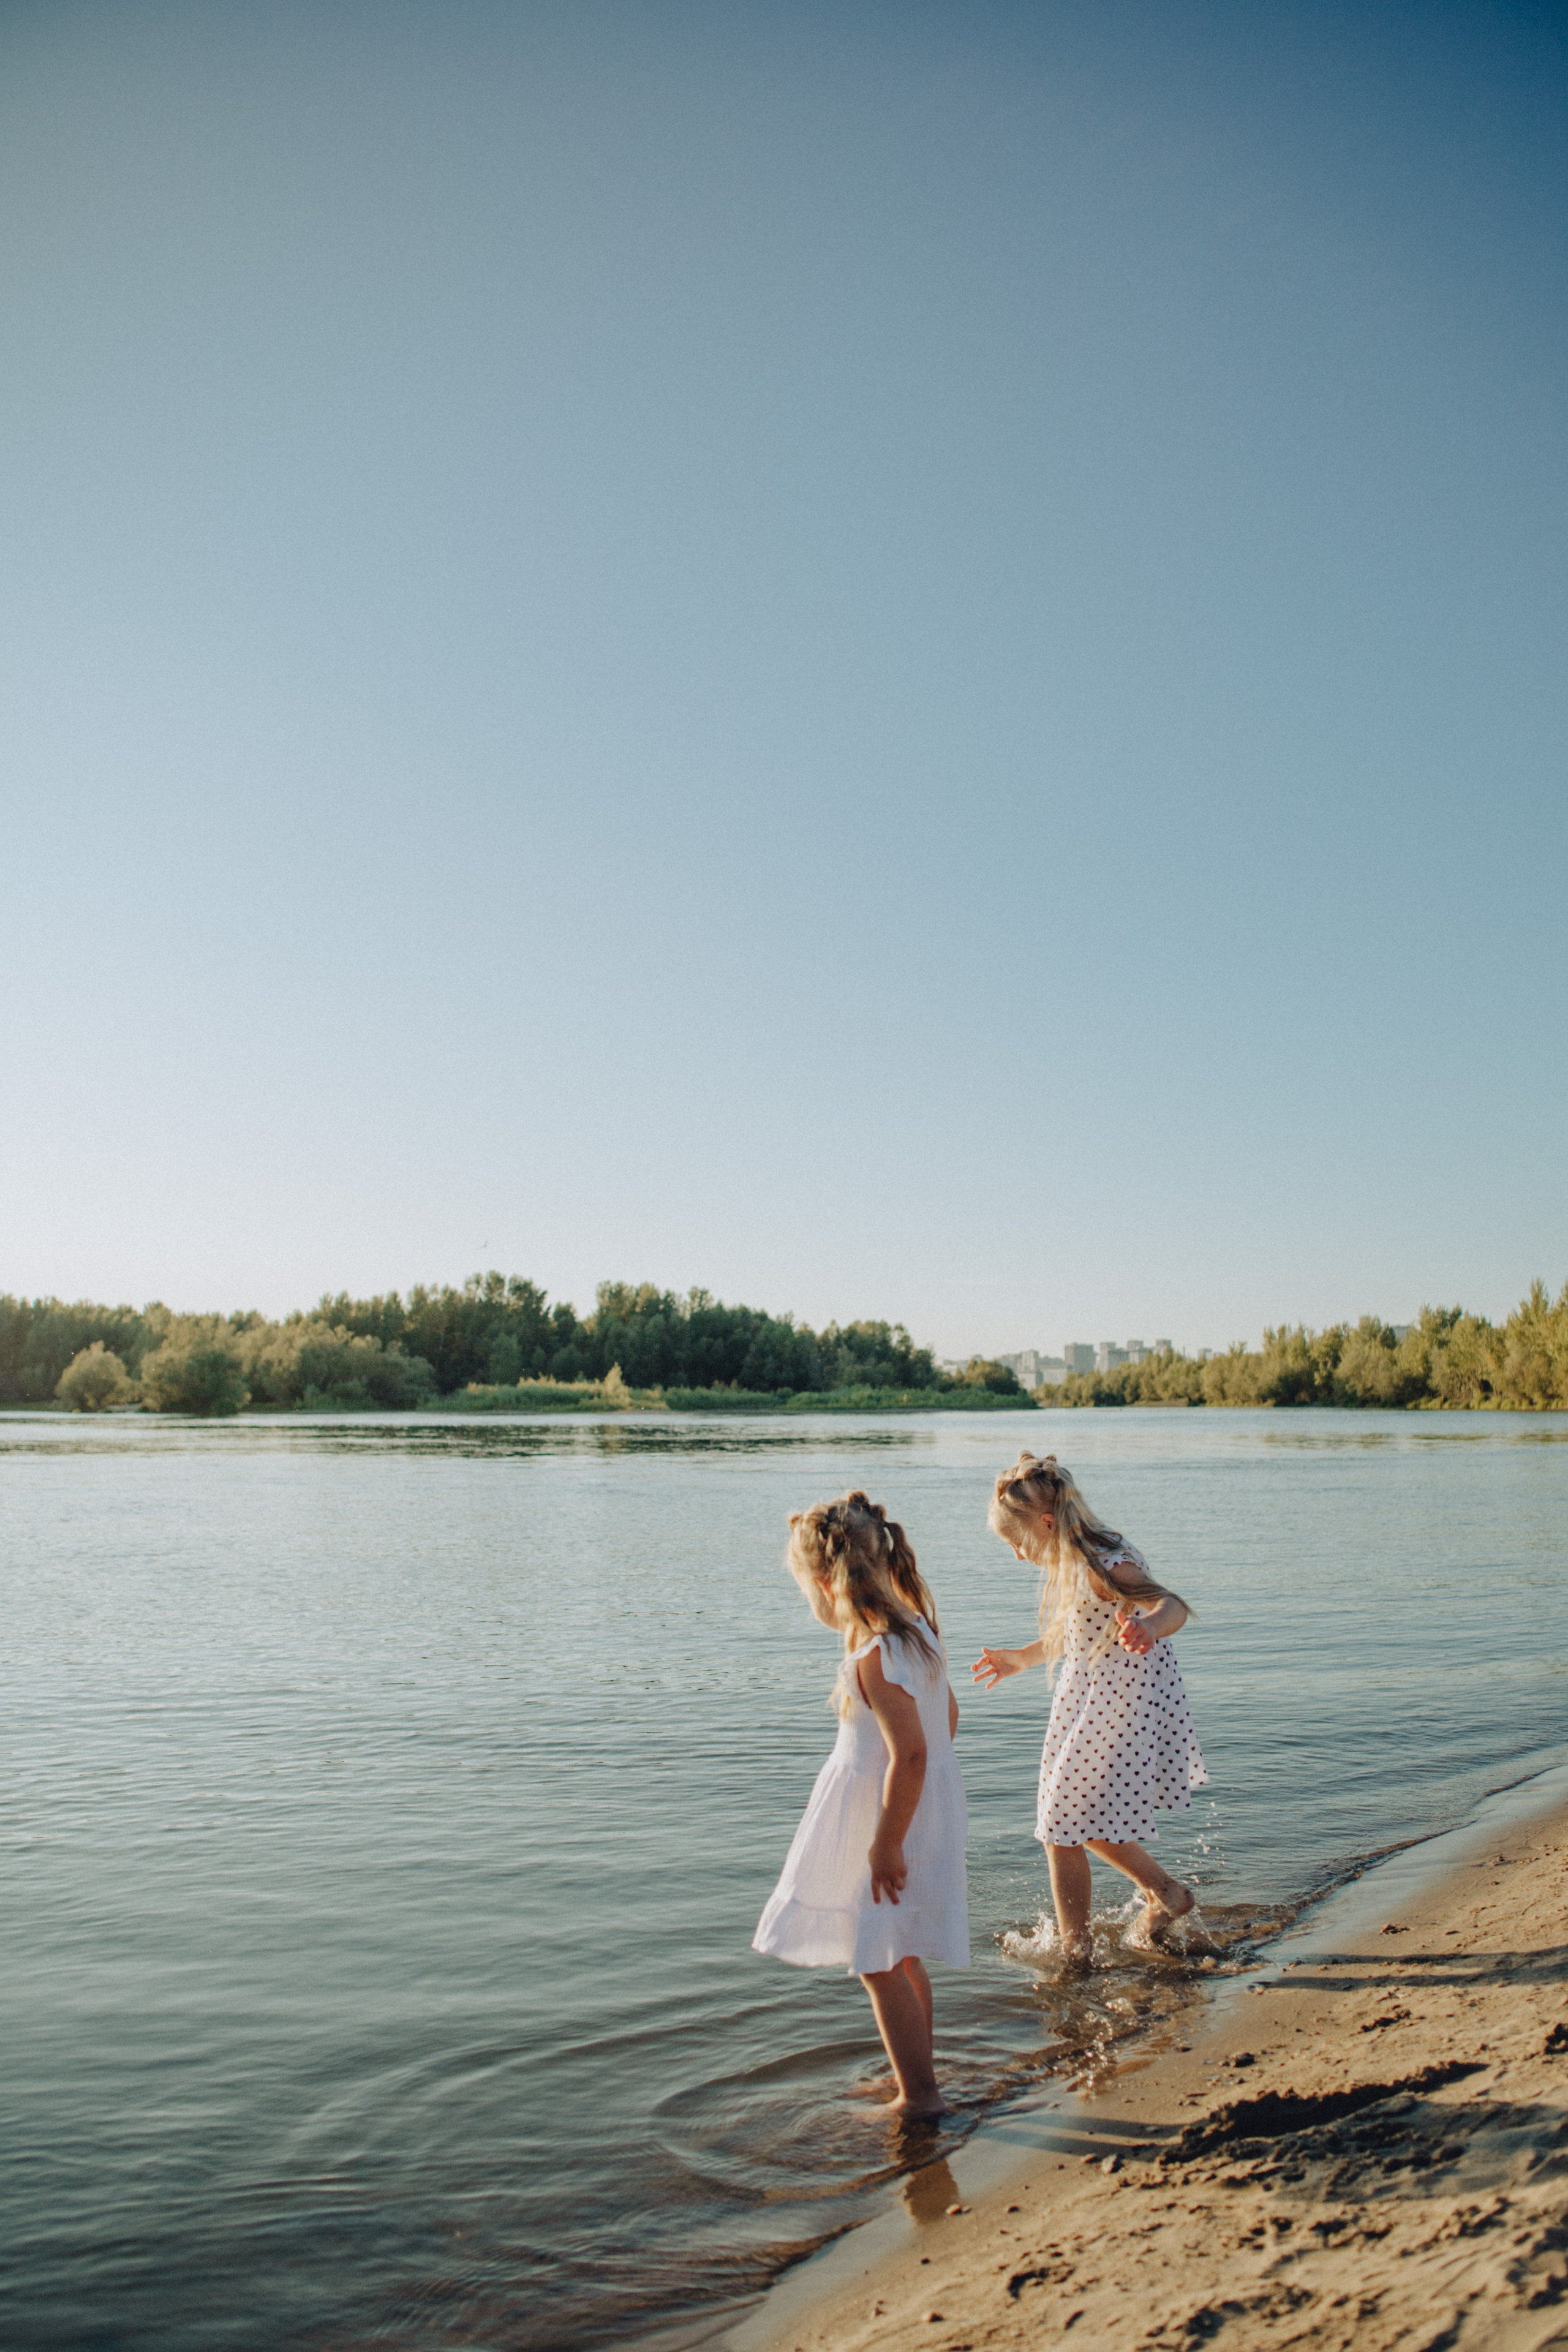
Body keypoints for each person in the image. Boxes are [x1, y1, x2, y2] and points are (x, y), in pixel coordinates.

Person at [753, 1491, 968, 2117]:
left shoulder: (876, 1655)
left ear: (826, 1584)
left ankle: (919, 2096)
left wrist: (887, 1841)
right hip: (913, 1810)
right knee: (899, 1949)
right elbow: (947, 1722)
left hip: (888, 1818)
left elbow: (913, 1753)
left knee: (877, 1963)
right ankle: (917, 2072)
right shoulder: (916, 1631)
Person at [972, 1451, 1205, 1964]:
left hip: (1116, 1707)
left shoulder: (1106, 1564)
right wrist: (1020, 1659)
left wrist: (1149, 1627)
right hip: (1094, 1702)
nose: (1018, 1556)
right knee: (1074, 1819)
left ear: (1046, 1523)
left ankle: (1077, 1952)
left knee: (1062, 1824)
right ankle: (1164, 1895)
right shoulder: (1081, 1556)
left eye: (1016, 1543)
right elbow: (1076, 1632)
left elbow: (1171, 1605)